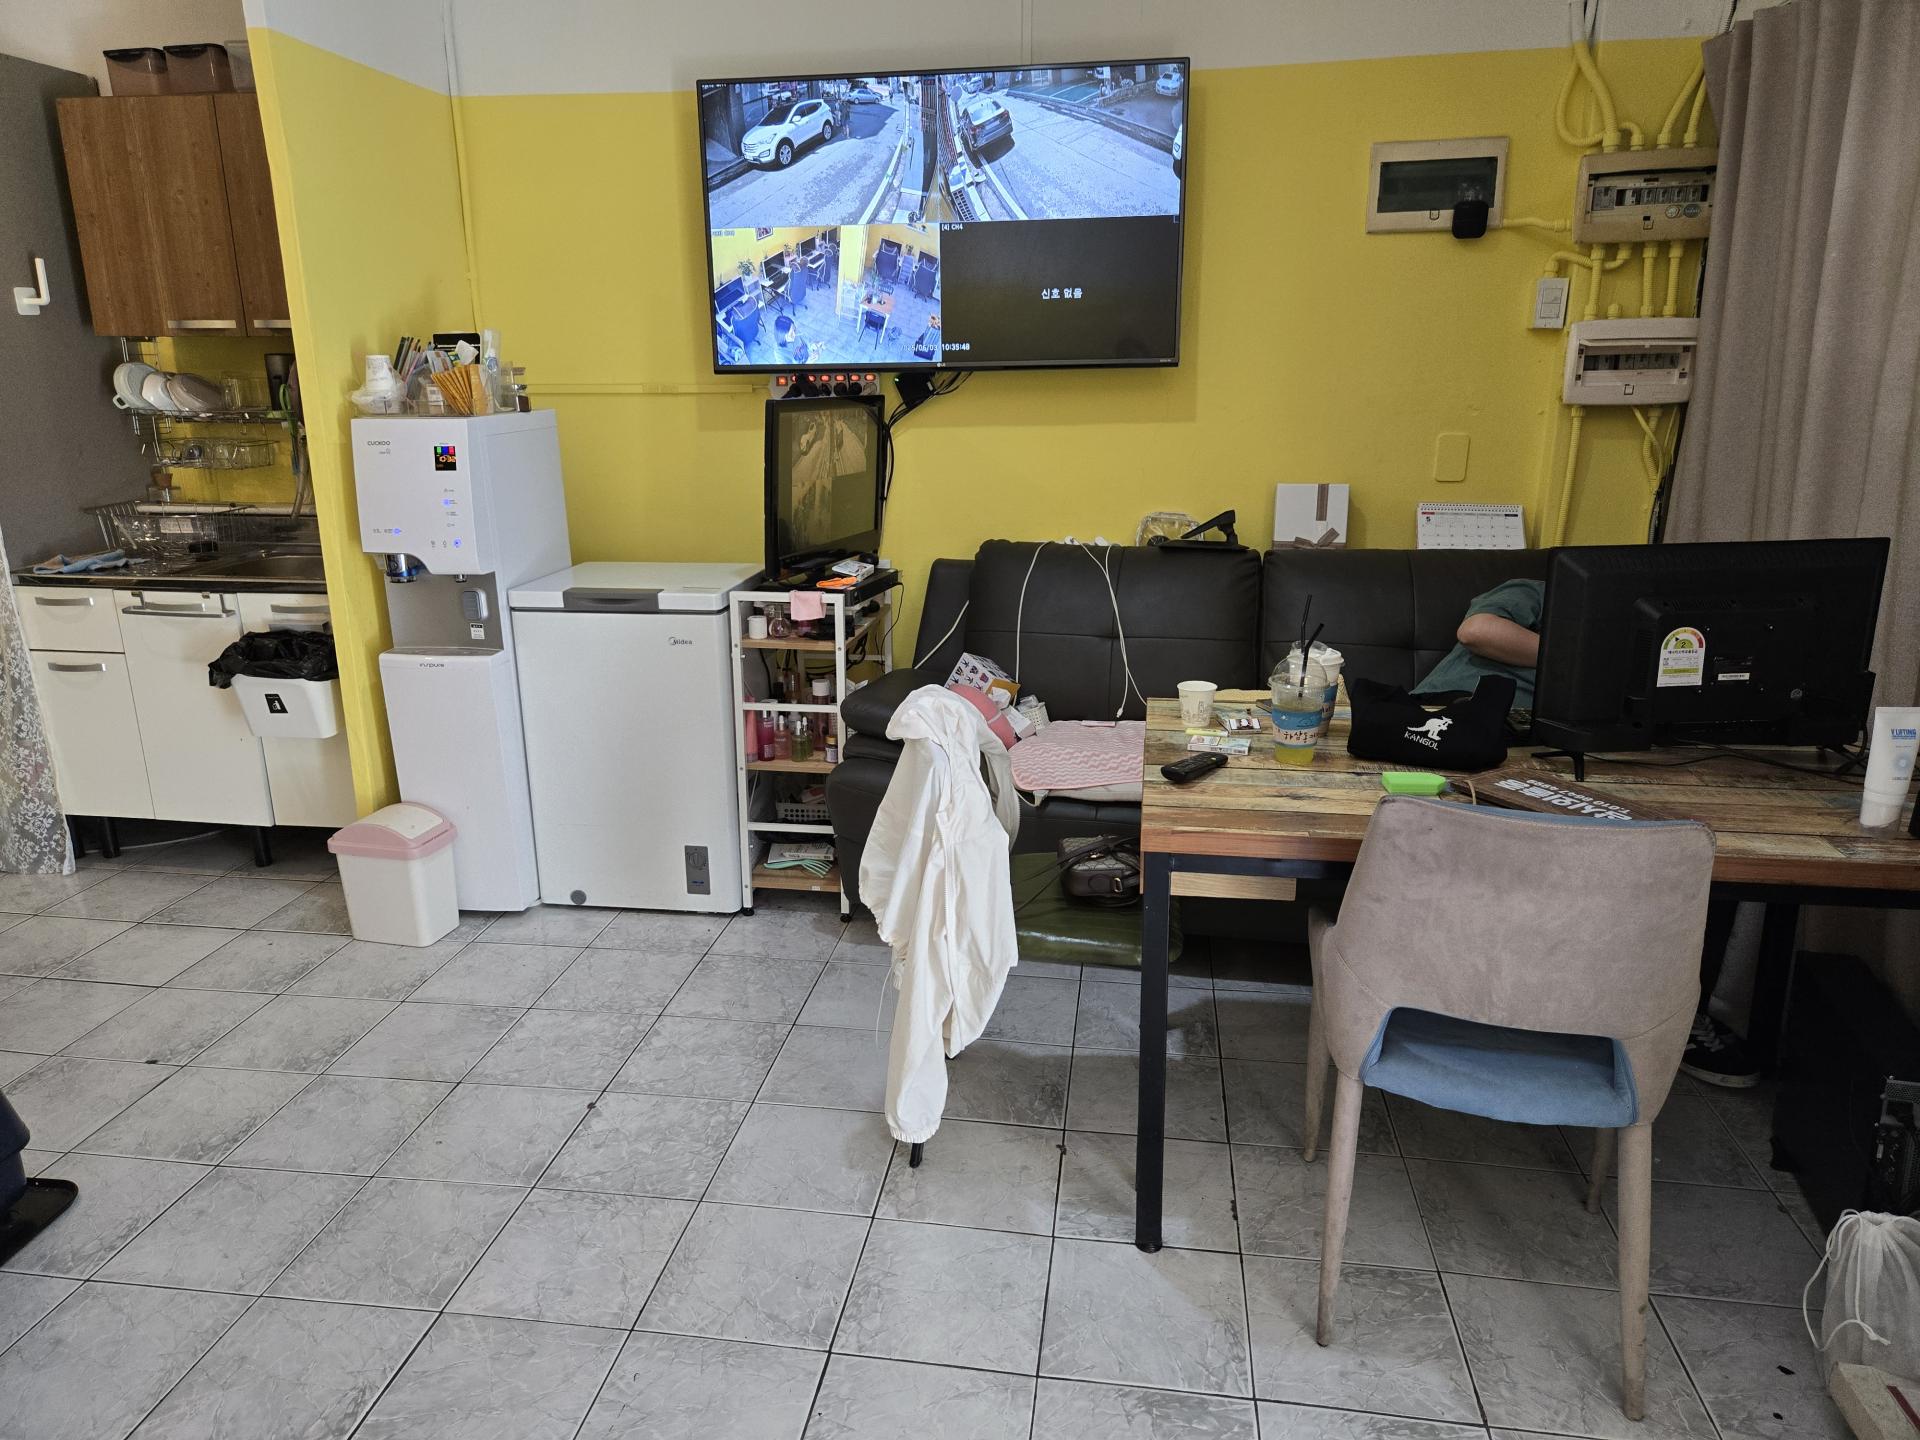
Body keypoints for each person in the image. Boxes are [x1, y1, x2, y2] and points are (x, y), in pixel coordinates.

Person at [1419, 577, 1760, 1087]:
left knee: (1684, 846)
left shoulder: (1665, 624)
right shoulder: (1539, 590)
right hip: (1465, 719)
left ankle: (1670, 1010)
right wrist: (1597, 662)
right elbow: (1478, 630)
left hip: (1582, 741)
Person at [1414, 578, 1543, 706]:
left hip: (1527, 715)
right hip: (1458, 701)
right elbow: (1476, 630)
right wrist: (1555, 657)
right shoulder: (1539, 592)